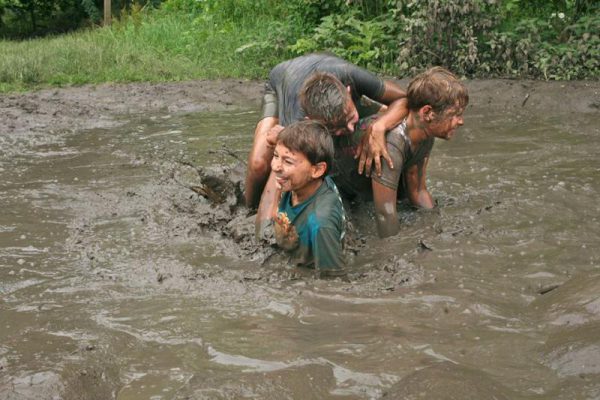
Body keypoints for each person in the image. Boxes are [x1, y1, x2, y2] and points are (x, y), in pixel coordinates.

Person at [244, 53, 409, 209]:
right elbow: (277, 179)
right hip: (282, 81)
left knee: (389, 114)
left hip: (330, 76)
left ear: (349, 92)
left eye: (351, 118)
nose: (350, 129)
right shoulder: (298, 117)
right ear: (311, 120)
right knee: (259, 163)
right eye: (336, 129)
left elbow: (405, 98)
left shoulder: (352, 76)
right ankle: (248, 208)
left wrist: (379, 127)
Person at [330, 66, 469, 238]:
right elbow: (385, 213)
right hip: (337, 185)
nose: (460, 121)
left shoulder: (426, 136)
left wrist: (436, 228)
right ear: (427, 112)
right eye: (455, 114)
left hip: (362, 183)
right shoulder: (392, 142)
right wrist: (395, 256)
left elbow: (418, 191)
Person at [255, 120, 346, 274]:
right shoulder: (299, 182)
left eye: (287, 161)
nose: (276, 166)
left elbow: (332, 284)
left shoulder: (320, 224)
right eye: (275, 156)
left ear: (317, 170)